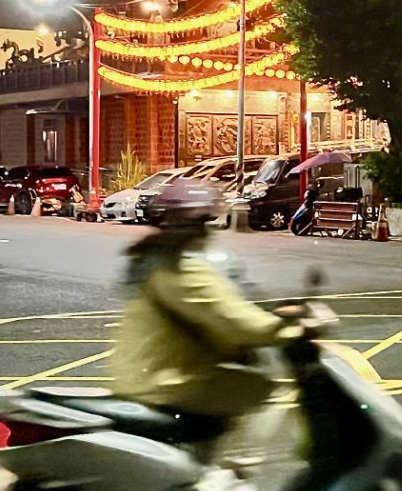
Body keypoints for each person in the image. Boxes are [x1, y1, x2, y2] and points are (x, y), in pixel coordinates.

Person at [112, 179, 300, 441]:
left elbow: (229, 302)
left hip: (146, 374)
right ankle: (237, 466)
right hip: (163, 381)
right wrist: (289, 330)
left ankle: (207, 456)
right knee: (264, 385)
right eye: (200, 223)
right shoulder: (178, 268)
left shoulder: (154, 257)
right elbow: (233, 318)